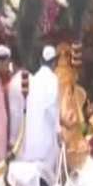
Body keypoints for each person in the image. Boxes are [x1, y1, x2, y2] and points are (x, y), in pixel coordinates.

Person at [20, 46, 61, 178]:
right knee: (47, 175)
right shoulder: (53, 79)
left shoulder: (34, 79)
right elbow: (51, 108)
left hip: (33, 134)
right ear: (54, 62)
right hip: (47, 134)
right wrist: (58, 130)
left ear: (41, 61)